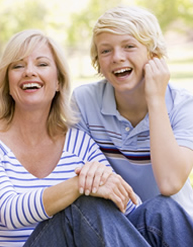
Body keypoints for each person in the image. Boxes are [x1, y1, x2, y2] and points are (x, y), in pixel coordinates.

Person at [0, 29, 193, 247]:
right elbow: (9, 211)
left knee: (163, 210)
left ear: (59, 82)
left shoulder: (78, 142)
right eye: (18, 66)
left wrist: (104, 181)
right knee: (83, 206)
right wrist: (79, 186)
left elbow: (130, 209)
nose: (29, 72)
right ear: (7, 84)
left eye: (42, 64)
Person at [72, 5, 193, 218]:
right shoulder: (84, 101)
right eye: (105, 50)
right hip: (116, 225)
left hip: (170, 225)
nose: (117, 57)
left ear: (154, 55)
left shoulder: (183, 105)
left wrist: (155, 99)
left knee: (160, 208)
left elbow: (169, 183)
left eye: (129, 46)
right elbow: (79, 177)